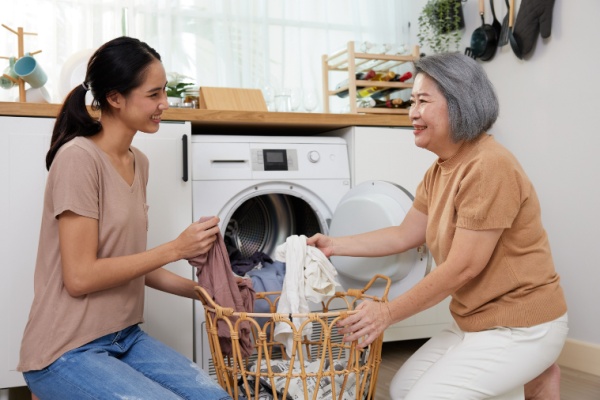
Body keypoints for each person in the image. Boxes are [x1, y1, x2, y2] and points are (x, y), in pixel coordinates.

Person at [307, 52, 568, 400]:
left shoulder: (489, 166)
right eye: (412, 101)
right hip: (475, 321)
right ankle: (530, 380)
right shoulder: (441, 169)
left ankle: (533, 371)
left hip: (521, 326)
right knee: (403, 390)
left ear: (459, 104)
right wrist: (334, 245)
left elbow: (464, 267)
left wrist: (386, 313)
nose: (412, 112)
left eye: (423, 101)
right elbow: (404, 234)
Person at [17, 36, 231, 400]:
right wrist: (177, 248)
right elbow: (81, 277)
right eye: (153, 94)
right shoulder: (78, 159)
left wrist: (206, 293)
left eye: (164, 91)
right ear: (115, 98)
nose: (164, 103)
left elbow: (130, 265)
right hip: (66, 349)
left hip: (124, 336)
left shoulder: (138, 162)